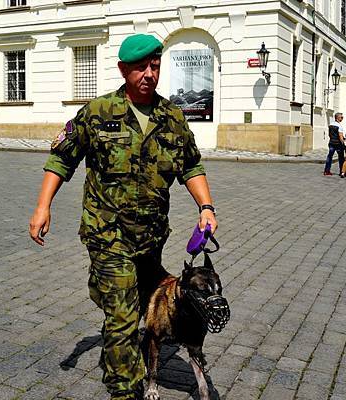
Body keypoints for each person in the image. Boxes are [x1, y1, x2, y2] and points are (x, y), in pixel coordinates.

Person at [29, 34, 218, 400]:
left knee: (136, 307)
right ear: (123, 70)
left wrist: (206, 207)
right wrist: (42, 206)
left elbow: (191, 166)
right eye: (140, 67)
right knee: (121, 317)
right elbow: (61, 158)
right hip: (107, 234)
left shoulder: (172, 117)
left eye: (155, 66)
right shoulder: (99, 112)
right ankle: (123, 390)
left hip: (150, 239)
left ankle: (120, 337)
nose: (149, 73)